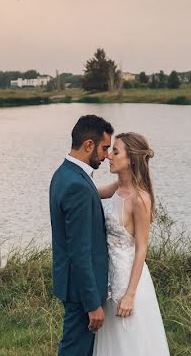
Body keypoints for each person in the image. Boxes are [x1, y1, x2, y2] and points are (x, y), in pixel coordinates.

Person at [93, 132, 170, 356]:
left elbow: (141, 249)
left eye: (115, 152)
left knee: (133, 343)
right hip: (110, 279)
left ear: (131, 159)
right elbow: (89, 193)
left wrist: (129, 295)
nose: (109, 157)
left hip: (129, 282)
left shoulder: (140, 198)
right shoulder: (116, 188)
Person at [49, 114, 118, 356]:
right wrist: (92, 304)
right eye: (104, 148)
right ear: (89, 145)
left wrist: (127, 180)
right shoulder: (77, 185)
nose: (107, 155)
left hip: (73, 284)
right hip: (81, 291)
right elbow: (80, 251)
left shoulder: (65, 174)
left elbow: (90, 195)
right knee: (75, 350)